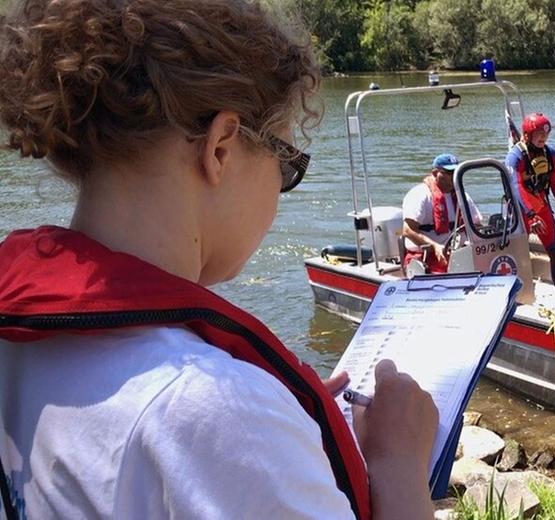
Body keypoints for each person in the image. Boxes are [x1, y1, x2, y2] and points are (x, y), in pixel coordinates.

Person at [0, 1, 437, 519]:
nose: (281, 192)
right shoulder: (216, 414)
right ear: (221, 148)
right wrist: (399, 466)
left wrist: (279, 420)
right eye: (287, 165)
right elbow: (205, 429)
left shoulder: (19, 340)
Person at [506, 113, 555, 293]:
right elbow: (516, 185)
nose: (543, 137)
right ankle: (515, 293)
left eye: (546, 133)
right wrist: (530, 214)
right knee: (517, 254)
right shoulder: (515, 156)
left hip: (541, 207)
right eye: (538, 133)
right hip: (521, 211)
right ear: (527, 135)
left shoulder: (551, 154)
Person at [401, 153, 481, 274]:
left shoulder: (462, 196)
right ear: (435, 173)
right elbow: (407, 230)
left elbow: (477, 226)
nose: (453, 176)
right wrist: (435, 246)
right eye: (449, 173)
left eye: (456, 172)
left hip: (457, 256)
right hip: (425, 257)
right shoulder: (419, 195)